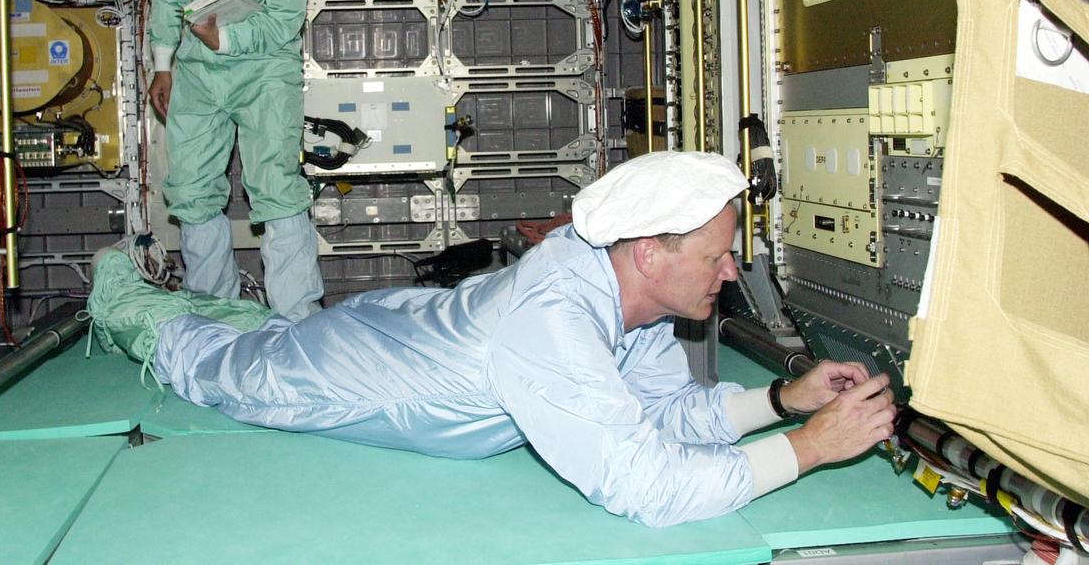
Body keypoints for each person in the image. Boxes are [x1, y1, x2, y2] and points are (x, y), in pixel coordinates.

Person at [88, 151, 896, 528]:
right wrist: (811, 449)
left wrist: (784, 402)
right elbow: (644, 485)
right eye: (718, 256)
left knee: (266, 326)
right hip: (353, 375)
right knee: (216, 365)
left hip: (403, 326)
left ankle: (192, 304)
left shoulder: (630, 296)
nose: (729, 273)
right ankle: (114, 281)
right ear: (650, 253)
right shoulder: (556, 325)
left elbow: (664, 412)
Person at [147, 0, 322, 321]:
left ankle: (298, 321)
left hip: (265, 69)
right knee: (193, 190)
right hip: (196, 71)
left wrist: (223, 40)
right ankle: (213, 318)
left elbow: (283, 20)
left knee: (276, 186)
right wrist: (163, 62)